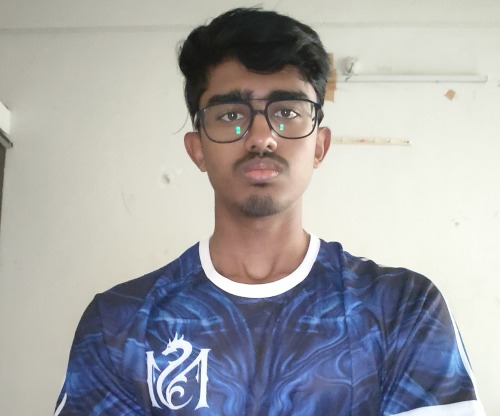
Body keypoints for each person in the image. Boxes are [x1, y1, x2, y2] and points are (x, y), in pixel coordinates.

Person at [55, 7, 485, 416]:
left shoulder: (402, 308)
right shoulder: (118, 323)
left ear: (319, 146)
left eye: (287, 112)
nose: (261, 136)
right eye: (230, 114)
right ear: (197, 148)